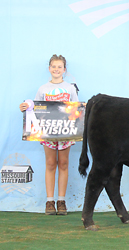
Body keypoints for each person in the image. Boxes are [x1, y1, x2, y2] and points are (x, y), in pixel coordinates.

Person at [19, 54, 79, 215]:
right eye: (54, 66)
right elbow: (35, 108)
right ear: (49, 69)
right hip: (48, 132)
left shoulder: (70, 88)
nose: (56, 69)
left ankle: (61, 201)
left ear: (64, 70)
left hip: (65, 131)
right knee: (51, 163)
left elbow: (76, 109)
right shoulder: (43, 89)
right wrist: (25, 107)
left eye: (60, 67)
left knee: (64, 163)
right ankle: (49, 201)